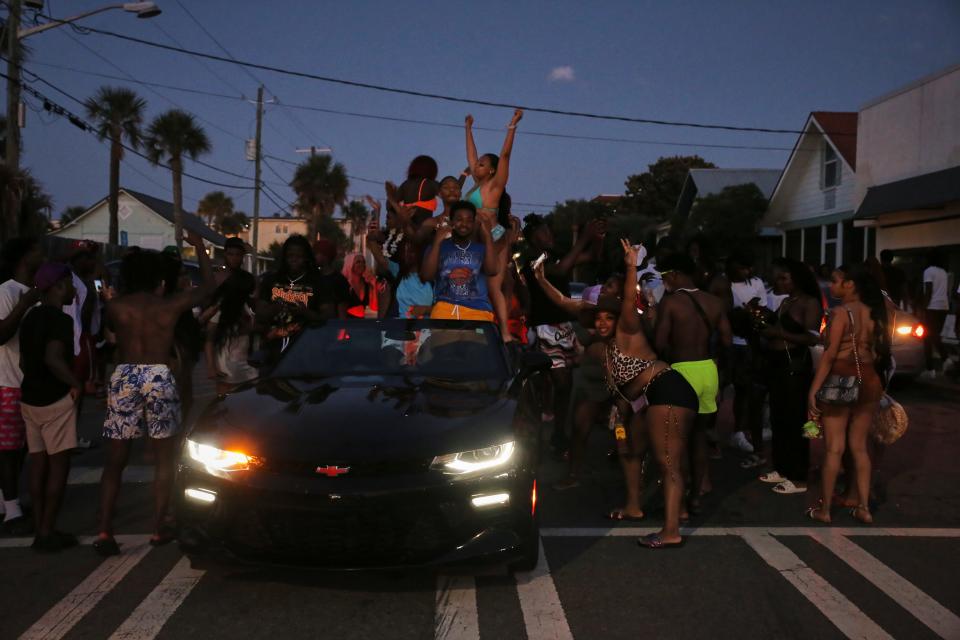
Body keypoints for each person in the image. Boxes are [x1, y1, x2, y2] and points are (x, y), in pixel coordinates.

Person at [95, 231, 215, 556]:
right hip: (159, 375)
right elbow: (209, 287)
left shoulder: (116, 307)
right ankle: (159, 526)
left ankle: (105, 530)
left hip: (125, 375)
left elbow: (110, 337)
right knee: (165, 458)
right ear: (157, 278)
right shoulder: (168, 306)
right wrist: (201, 246)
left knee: (115, 461)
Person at [604, 241, 698, 548]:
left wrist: (631, 266)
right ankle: (668, 510)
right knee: (662, 457)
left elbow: (629, 302)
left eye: (607, 316)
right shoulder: (608, 350)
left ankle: (671, 531)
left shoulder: (628, 329)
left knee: (667, 461)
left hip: (669, 390)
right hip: (659, 394)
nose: (602, 321)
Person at [807, 263, 891, 525]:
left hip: (842, 377)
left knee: (834, 449)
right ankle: (864, 506)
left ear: (850, 284)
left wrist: (814, 390)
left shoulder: (841, 313)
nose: (832, 286)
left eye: (835, 281)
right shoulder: (878, 312)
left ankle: (825, 509)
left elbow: (830, 355)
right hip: (871, 380)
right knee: (859, 447)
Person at [653, 253, 732, 513]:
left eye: (665, 277)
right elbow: (727, 340)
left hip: (681, 371)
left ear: (675, 275)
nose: (664, 281)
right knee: (700, 438)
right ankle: (697, 496)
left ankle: (682, 499)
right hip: (708, 370)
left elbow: (660, 342)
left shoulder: (672, 302)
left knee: (678, 441)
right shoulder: (714, 302)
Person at [521, 214, 604, 456]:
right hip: (545, 328)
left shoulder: (556, 256)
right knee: (560, 381)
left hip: (564, 326)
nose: (549, 236)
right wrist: (584, 238)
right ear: (533, 239)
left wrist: (597, 238)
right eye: (543, 233)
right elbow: (560, 271)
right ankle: (545, 433)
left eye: (549, 232)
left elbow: (594, 258)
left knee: (564, 386)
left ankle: (558, 433)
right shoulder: (531, 261)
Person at [19, 263, 81, 552]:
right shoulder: (60, 320)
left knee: (37, 462)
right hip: (54, 399)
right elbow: (54, 358)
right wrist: (77, 384)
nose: (72, 289)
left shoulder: (30, 317)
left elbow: (23, 362)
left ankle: (39, 527)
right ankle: (47, 531)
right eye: (69, 283)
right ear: (57, 286)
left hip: (29, 397)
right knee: (59, 466)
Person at [756, 259, 823, 495]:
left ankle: (799, 475)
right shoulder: (786, 301)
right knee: (778, 417)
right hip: (776, 364)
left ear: (797, 279)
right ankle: (782, 467)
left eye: (784, 278)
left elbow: (813, 337)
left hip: (795, 365)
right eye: (778, 278)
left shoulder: (809, 302)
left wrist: (778, 333)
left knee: (795, 420)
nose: (779, 282)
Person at [464, 109, 523, 340]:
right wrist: (468, 129)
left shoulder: (495, 186)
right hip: (478, 235)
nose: (475, 165)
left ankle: (505, 333)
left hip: (494, 235)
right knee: (478, 281)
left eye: (481, 164)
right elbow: (471, 155)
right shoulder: (476, 186)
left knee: (494, 285)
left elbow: (505, 156)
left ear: (490, 169)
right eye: (476, 164)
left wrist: (512, 126)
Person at [0, 238, 43, 533]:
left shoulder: (33, 293)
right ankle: (12, 510)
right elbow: (2, 333)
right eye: (37, 249)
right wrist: (24, 305)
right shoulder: (7, 291)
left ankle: (7, 503)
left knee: (19, 449)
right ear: (25, 257)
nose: (43, 254)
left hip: (29, 383)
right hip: (7, 382)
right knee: (7, 451)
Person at [258, 235, 348, 356]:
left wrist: (306, 312)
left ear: (306, 258)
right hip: (272, 348)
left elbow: (329, 315)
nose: (294, 259)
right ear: (284, 257)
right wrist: (274, 309)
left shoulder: (318, 282)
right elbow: (259, 313)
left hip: (307, 349)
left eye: (298, 256)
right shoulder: (270, 279)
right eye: (290, 256)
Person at [722, 249, 769, 461]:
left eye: (748, 268)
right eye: (742, 267)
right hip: (732, 342)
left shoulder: (756, 283)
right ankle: (738, 431)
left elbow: (762, 310)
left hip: (751, 342)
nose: (746, 271)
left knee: (751, 389)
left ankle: (746, 431)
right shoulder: (724, 284)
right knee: (734, 388)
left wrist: (748, 312)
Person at [420, 200, 498, 321]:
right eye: (459, 219)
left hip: (478, 310)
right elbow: (427, 276)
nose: (464, 224)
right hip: (445, 310)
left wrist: (487, 235)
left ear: (474, 223)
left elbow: (492, 270)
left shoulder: (482, 248)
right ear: (451, 222)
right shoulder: (437, 247)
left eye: (469, 220)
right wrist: (437, 241)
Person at [204, 270, 259, 395]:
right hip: (228, 367)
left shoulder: (245, 306)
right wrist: (211, 367)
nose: (252, 292)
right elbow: (209, 340)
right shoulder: (221, 310)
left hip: (246, 365)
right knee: (225, 404)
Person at [920, 251, 949, 377]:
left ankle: (943, 360)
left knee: (928, 337)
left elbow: (929, 290)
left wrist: (923, 307)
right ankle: (935, 366)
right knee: (934, 335)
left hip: (932, 306)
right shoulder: (943, 272)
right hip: (944, 306)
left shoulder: (928, 271)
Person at [342, 253, 375, 318]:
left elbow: (374, 307)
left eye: (363, 262)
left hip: (362, 324)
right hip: (347, 323)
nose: (362, 264)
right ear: (350, 264)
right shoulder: (345, 284)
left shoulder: (367, 284)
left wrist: (373, 285)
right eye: (358, 262)